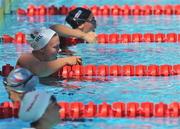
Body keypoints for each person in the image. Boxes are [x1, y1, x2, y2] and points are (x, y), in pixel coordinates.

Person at [16, 28, 83, 78]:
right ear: (42, 49)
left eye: (59, 46)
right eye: (55, 47)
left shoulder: (52, 62)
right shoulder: (25, 58)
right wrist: (66, 60)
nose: (59, 50)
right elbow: (40, 70)